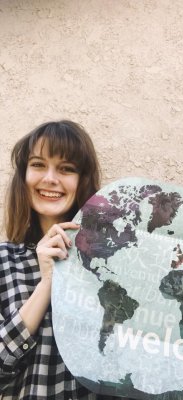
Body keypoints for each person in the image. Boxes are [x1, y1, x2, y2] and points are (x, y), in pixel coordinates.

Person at [0, 120, 128, 399]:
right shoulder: (4, 262)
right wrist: (47, 281)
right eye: (37, 164)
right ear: (23, 176)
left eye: (66, 169)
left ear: (82, 180)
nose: (50, 178)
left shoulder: (115, 264)